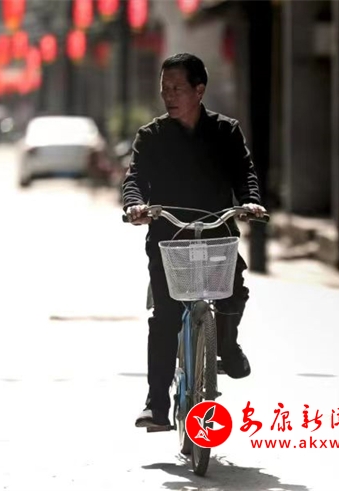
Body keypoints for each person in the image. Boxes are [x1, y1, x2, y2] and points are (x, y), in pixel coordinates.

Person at [122, 53, 267, 429]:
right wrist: (135, 204)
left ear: (199, 90)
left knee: (233, 293)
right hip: (168, 237)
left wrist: (250, 201)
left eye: (177, 88)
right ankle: (156, 404)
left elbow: (245, 173)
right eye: (164, 89)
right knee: (166, 316)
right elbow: (135, 178)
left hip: (217, 232)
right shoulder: (151, 136)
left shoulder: (226, 131)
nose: (169, 96)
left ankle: (227, 346)